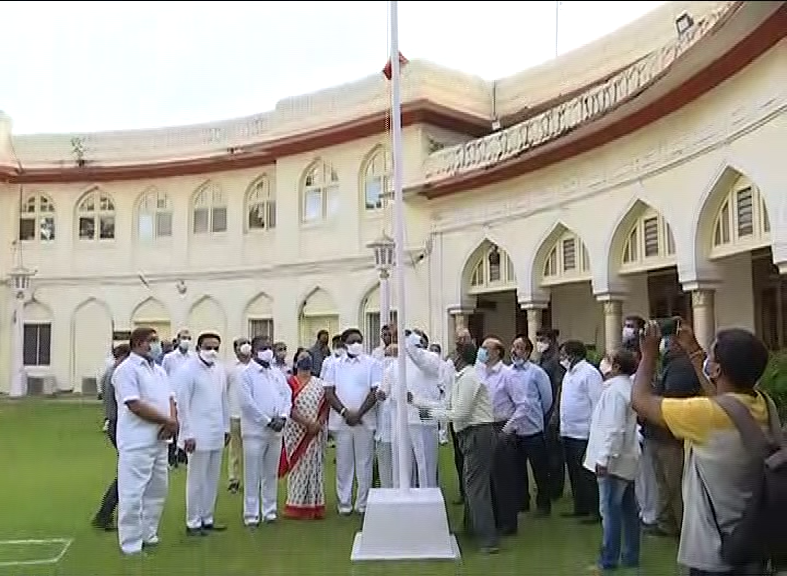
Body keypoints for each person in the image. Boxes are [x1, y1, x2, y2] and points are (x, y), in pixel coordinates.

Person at [632, 320, 778, 576]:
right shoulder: (764, 404)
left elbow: (640, 401)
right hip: (753, 540)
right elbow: (724, 401)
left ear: (718, 369)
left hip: (713, 553)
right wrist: (695, 353)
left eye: (712, 355)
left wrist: (648, 355)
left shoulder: (704, 414)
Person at [412, 339, 499, 554]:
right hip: (471, 434)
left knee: (476, 487)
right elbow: (447, 406)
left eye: (453, 354)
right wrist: (418, 402)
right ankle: (472, 529)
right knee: (471, 485)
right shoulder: (462, 377)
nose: (449, 358)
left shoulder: (469, 378)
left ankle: (487, 538)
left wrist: (430, 414)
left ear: (459, 357)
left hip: (478, 433)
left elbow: (460, 413)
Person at [113, 327, 178, 556]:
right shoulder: (126, 370)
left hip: (160, 440)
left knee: (157, 490)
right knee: (133, 492)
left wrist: (171, 421)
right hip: (137, 440)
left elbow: (170, 398)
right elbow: (134, 404)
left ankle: (148, 534)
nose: (157, 344)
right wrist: (167, 421)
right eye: (153, 340)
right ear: (139, 343)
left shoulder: (159, 371)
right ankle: (130, 544)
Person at [584, 349, 641, 572]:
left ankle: (608, 560)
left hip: (615, 462)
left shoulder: (616, 392)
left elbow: (614, 428)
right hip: (624, 458)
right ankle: (630, 556)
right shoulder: (624, 389)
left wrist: (604, 459)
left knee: (609, 511)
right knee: (627, 510)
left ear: (616, 367)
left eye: (608, 360)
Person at [175, 332, 231, 536]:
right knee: (196, 479)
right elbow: (182, 404)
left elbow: (224, 400)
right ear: (198, 348)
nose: (212, 352)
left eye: (216, 347)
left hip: (216, 430)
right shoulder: (187, 370)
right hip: (197, 433)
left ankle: (207, 517)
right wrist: (187, 433)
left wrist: (226, 428)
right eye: (208, 347)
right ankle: (193, 521)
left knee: (212, 478)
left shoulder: (219, 370)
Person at [648, 331, 702, 538]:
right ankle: (667, 522)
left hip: (670, 434)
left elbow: (671, 397)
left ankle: (684, 528)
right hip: (659, 433)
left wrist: (651, 396)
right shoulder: (669, 364)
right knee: (664, 485)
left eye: (670, 340)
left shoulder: (682, 367)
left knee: (675, 485)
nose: (666, 344)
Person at [322, 328, 380, 515]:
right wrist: (345, 413)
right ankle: (344, 503)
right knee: (344, 464)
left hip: (365, 421)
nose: (357, 344)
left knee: (364, 463)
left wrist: (359, 413)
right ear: (345, 344)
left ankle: (362, 503)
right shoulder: (334, 365)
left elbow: (375, 392)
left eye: (359, 341)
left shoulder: (372, 364)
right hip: (342, 422)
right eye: (353, 341)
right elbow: (329, 392)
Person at [239, 336, 292, 526]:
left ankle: (269, 510)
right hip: (255, 431)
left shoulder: (276, 373)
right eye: (264, 348)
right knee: (253, 474)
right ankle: (251, 514)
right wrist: (267, 421)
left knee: (271, 473)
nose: (268, 351)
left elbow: (287, 395)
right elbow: (247, 404)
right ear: (253, 351)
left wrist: (284, 416)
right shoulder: (246, 374)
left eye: (270, 347)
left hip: (276, 431)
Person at [380, 329, 442, 488]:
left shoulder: (431, 358)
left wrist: (408, 338)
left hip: (425, 414)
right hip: (402, 416)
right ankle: (402, 491)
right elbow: (385, 385)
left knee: (425, 462)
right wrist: (381, 392)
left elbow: (419, 358)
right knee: (402, 461)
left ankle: (428, 494)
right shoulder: (396, 364)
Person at [505, 335, 553, 517]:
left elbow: (546, 399)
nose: (513, 351)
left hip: (533, 428)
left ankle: (543, 504)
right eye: (513, 346)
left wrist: (536, 414)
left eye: (518, 347)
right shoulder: (508, 372)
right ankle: (521, 502)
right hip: (514, 429)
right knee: (516, 469)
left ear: (527, 351)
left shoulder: (536, 372)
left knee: (540, 469)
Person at [279, 349, 329, 519]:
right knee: (298, 467)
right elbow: (287, 407)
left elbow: (325, 406)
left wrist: (318, 423)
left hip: (316, 432)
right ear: (295, 363)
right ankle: (296, 504)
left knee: (315, 467)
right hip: (296, 432)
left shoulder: (319, 383)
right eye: (301, 358)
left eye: (308, 358)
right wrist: (307, 423)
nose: (305, 360)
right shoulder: (289, 383)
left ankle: (315, 505)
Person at [559, 339, 603, 523]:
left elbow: (597, 403)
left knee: (587, 473)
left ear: (573, 355)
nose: (562, 358)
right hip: (569, 430)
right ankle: (580, 506)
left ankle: (594, 509)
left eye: (564, 354)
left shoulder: (589, 374)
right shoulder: (568, 373)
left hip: (584, 432)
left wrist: (595, 432)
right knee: (574, 472)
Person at [92, 343, 130, 531]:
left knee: (127, 471)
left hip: (114, 423)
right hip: (119, 425)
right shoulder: (117, 375)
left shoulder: (110, 372)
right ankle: (105, 513)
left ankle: (107, 513)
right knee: (127, 472)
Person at [535, 328, 566, 501]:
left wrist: (555, 413)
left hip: (552, 410)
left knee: (554, 452)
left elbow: (560, 387)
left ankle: (556, 487)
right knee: (546, 451)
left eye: (543, 339)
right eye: (538, 339)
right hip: (542, 411)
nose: (540, 342)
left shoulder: (556, 361)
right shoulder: (542, 359)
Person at [162, 328, 195, 468]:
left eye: (188, 338)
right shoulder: (169, 358)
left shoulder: (193, 358)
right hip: (173, 396)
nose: (186, 341)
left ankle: (183, 456)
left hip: (188, 397)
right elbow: (163, 376)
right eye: (184, 338)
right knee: (173, 427)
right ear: (178, 339)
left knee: (186, 426)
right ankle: (171, 458)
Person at [227, 337, 251, 493]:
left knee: (253, 449)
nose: (245, 347)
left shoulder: (256, 366)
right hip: (235, 413)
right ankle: (234, 479)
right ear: (235, 349)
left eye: (246, 343)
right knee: (235, 449)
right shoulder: (230, 368)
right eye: (241, 344)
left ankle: (253, 478)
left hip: (252, 416)